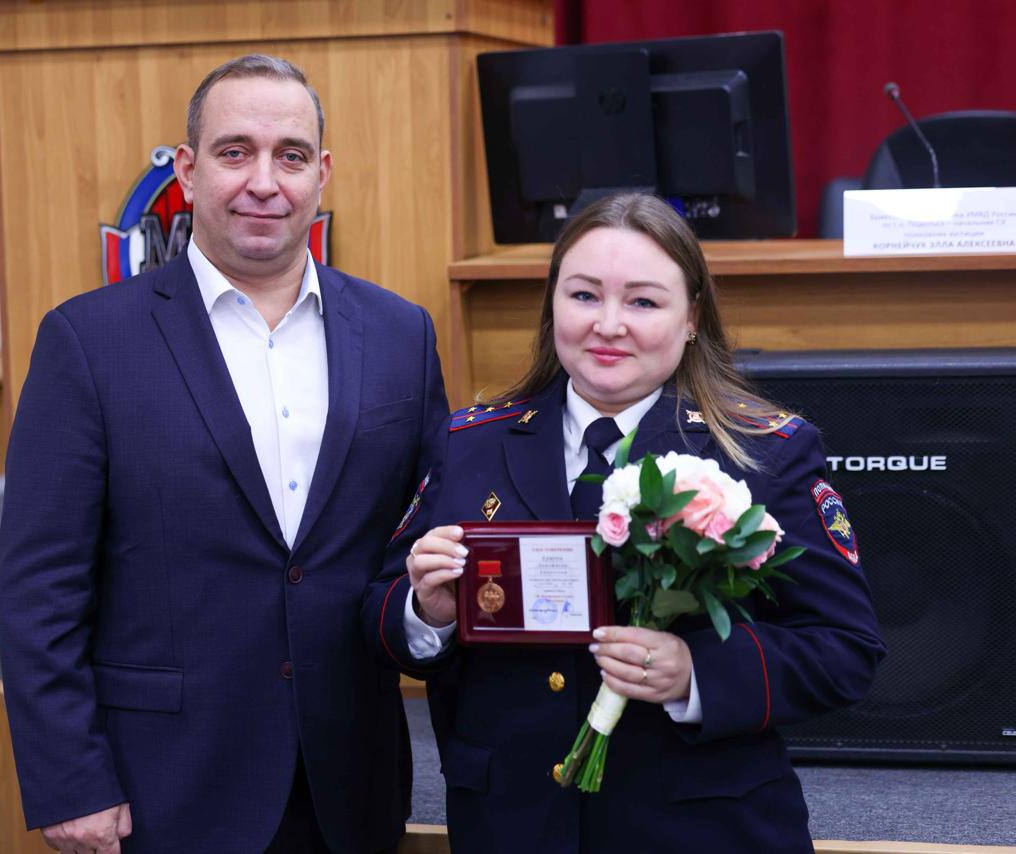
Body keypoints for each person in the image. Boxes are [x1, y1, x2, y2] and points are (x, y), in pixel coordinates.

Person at [0, 54, 446, 853]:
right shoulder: (88, 342)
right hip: (164, 786)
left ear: (323, 173)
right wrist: (72, 779)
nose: (264, 181)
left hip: (350, 782)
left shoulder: (400, 335)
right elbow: (40, 588)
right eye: (235, 152)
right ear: (188, 170)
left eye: (291, 155)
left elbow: (416, 540)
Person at [364, 193, 885, 853]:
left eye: (643, 302)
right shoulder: (471, 442)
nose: (609, 325)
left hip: (700, 829)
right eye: (584, 296)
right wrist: (426, 610)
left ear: (692, 317)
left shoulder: (762, 453)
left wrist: (694, 673)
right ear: (552, 303)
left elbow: (845, 648)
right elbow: (378, 614)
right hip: (512, 827)